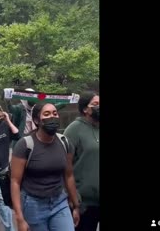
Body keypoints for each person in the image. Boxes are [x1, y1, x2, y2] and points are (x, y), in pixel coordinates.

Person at [11, 103, 80, 231]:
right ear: (37, 120)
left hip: (59, 202)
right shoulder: (25, 145)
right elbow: (15, 181)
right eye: (46, 114)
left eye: (54, 113)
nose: (52, 117)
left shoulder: (64, 142)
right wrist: (19, 218)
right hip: (33, 205)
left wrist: (76, 206)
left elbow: (69, 175)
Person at [63, 91, 99, 231]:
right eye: (95, 104)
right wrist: (74, 202)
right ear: (85, 109)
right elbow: (65, 169)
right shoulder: (74, 129)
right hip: (84, 204)